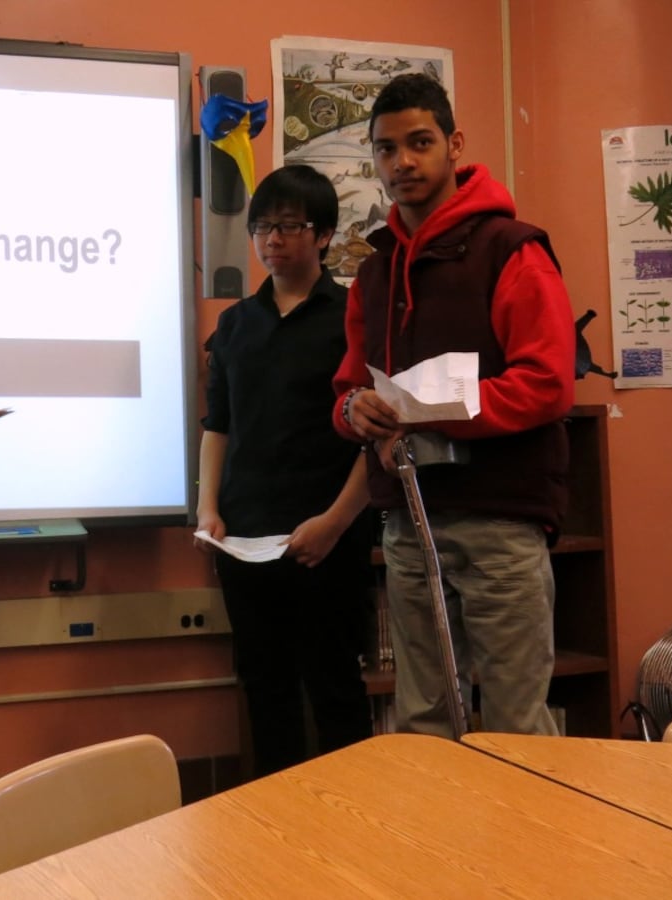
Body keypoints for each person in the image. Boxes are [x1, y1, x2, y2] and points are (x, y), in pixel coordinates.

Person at [332, 73, 575, 737]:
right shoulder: (374, 272)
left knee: (517, 727)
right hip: (409, 524)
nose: (401, 162)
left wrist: (418, 406)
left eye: (419, 143)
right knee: (422, 723)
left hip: (500, 522)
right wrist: (358, 411)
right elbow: (348, 391)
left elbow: (548, 384)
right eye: (386, 149)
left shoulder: (512, 250)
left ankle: (531, 847)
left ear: (453, 144)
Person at [194, 165, 373, 777]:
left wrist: (333, 523)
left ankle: (354, 825)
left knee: (335, 685)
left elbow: (376, 439)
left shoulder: (354, 318)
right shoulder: (236, 325)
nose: (273, 240)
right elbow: (217, 425)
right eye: (262, 227)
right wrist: (208, 509)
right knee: (264, 688)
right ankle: (276, 833)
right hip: (245, 538)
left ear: (322, 235)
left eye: (289, 226)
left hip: (328, 538)